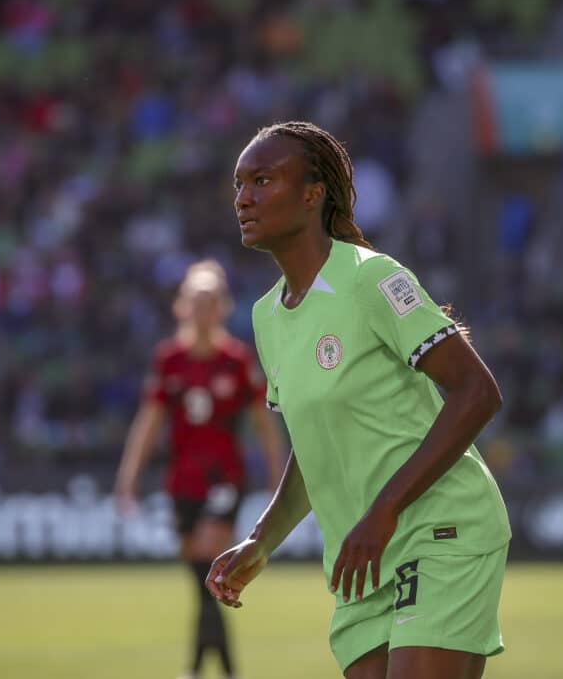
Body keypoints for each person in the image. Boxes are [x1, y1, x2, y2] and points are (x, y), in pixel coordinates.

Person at [207, 121, 511, 679]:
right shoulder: (265, 315)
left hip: (439, 529)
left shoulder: (372, 279)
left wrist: (385, 509)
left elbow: (477, 392)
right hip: (362, 558)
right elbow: (315, 445)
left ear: (311, 193)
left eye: (263, 180)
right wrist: (262, 538)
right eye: (239, 184)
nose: (243, 198)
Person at [114, 259, 285, 679]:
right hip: (182, 483)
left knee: (210, 564)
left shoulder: (236, 360)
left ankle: (202, 671)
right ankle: (213, 669)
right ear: (182, 306)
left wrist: (277, 478)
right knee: (201, 582)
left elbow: (264, 425)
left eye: (210, 300)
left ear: (223, 307)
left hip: (225, 478)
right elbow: (149, 422)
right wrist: (128, 477)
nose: (202, 308)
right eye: (195, 299)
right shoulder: (169, 360)